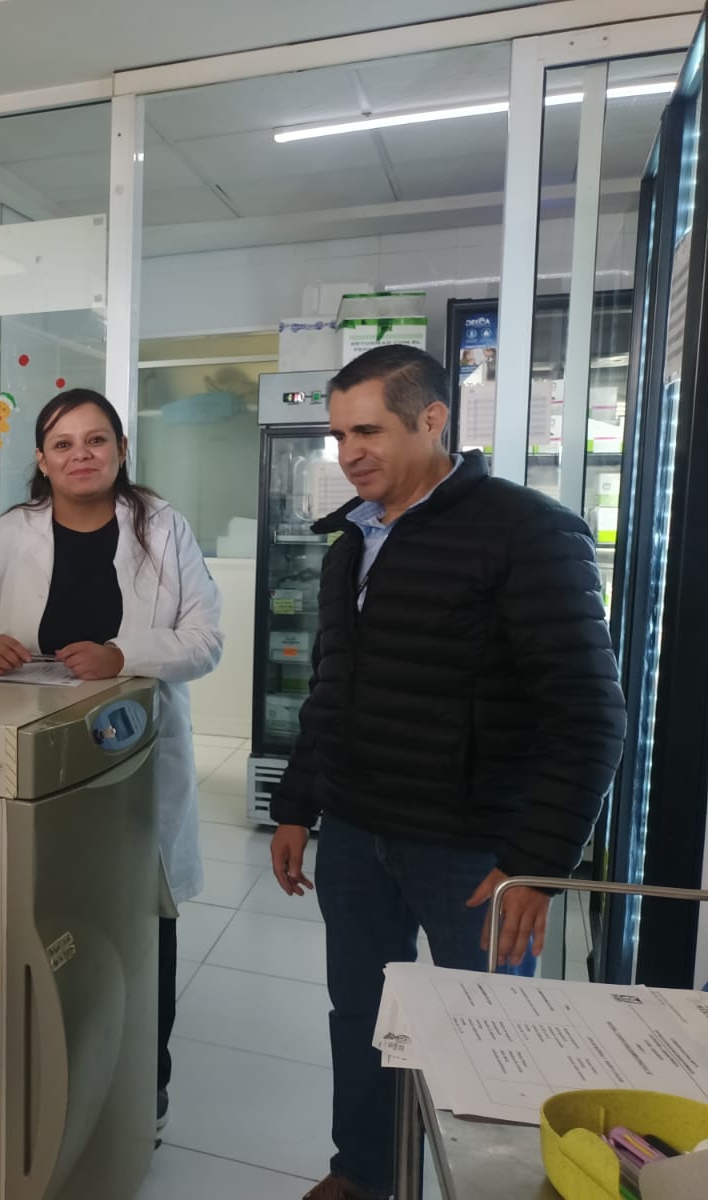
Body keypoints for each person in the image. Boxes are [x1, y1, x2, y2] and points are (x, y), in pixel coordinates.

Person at [266, 345, 625, 1200]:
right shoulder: (352, 539)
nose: (349, 453)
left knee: (490, 1037)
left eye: (367, 431)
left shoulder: (526, 532)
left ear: (433, 419)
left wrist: (537, 864)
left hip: (473, 853)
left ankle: (497, 1188)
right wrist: (297, 805)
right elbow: (333, 689)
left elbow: (590, 715)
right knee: (364, 1020)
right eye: (337, 435)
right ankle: (363, 1175)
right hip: (357, 834)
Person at [0, 388, 223, 1136]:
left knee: (143, 917)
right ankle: (51, 1081)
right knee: (54, 919)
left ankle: (147, 1087)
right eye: (63, 444)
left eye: (96, 440)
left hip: (135, 754)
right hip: (39, 757)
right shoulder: (8, 534)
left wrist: (123, 654)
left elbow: (204, 641)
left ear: (122, 450)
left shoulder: (162, 530)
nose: (81, 455)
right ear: (41, 459)